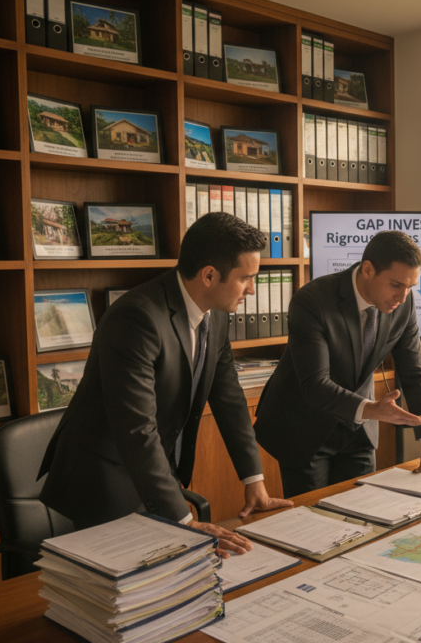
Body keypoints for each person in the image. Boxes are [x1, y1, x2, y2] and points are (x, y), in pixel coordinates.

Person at [38, 213, 292, 557]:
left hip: (153, 473)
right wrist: (185, 522)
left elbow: (229, 398)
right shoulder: (137, 318)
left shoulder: (213, 313)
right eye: (246, 278)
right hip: (104, 477)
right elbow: (136, 429)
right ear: (209, 275)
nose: (251, 289)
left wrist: (254, 481)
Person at [254, 230, 421, 497]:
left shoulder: (403, 302)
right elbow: (315, 384)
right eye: (396, 285)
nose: (402, 297)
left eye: (410, 286)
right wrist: (373, 410)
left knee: (363, 512)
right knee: (313, 520)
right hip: (306, 427)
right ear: (367, 270)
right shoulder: (312, 300)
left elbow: (414, 371)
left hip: (359, 431)